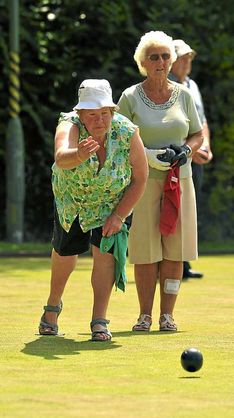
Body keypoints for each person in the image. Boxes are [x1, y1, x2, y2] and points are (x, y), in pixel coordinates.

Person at [38, 79, 148, 341]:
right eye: (92, 115)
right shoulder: (69, 124)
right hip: (72, 200)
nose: (99, 120)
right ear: (81, 114)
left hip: (111, 202)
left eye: (104, 114)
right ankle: (52, 307)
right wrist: (79, 154)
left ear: (112, 112)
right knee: (66, 253)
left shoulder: (127, 131)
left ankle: (99, 320)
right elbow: (61, 158)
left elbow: (140, 178)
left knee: (105, 256)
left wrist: (119, 215)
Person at [117, 31, 204, 332]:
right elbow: (119, 137)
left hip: (179, 180)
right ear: (143, 62)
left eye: (166, 56)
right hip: (142, 182)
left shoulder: (185, 94)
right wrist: (147, 155)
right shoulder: (129, 97)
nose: (161, 62)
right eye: (154, 56)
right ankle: (145, 315)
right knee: (145, 250)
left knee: (174, 250)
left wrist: (187, 149)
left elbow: (197, 132)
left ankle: (167, 315)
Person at [170, 39, 213, 280]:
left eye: (189, 58)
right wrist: (192, 150)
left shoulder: (192, 85)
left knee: (190, 210)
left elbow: (202, 121)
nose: (187, 62)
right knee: (174, 208)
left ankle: (183, 263)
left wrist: (206, 146)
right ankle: (171, 263)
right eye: (182, 58)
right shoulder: (168, 86)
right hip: (179, 156)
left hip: (196, 156)